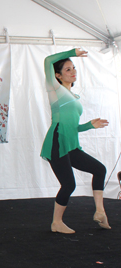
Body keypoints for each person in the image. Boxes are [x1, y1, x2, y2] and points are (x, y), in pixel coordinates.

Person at [40, 48, 110, 234]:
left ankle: (100, 212)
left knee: (99, 169)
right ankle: (56, 223)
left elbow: (73, 127)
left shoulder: (74, 97)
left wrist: (89, 125)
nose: (73, 72)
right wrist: (72, 52)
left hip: (71, 144)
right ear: (58, 75)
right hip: (57, 141)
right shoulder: (55, 89)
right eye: (68, 69)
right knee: (69, 184)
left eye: (74, 68)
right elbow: (48, 60)